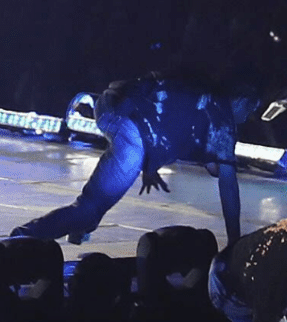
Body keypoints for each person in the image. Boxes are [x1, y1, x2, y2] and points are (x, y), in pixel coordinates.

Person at [10, 69, 259, 246]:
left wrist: (151, 163)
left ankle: (77, 227)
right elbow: (228, 185)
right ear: (242, 100)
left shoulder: (203, 96)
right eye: (250, 110)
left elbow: (169, 121)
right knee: (90, 208)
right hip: (128, 122)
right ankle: (22, 238)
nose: (248, 118)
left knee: (95, 205)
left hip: (116, 107)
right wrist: (235, 241)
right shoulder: (223, 118)